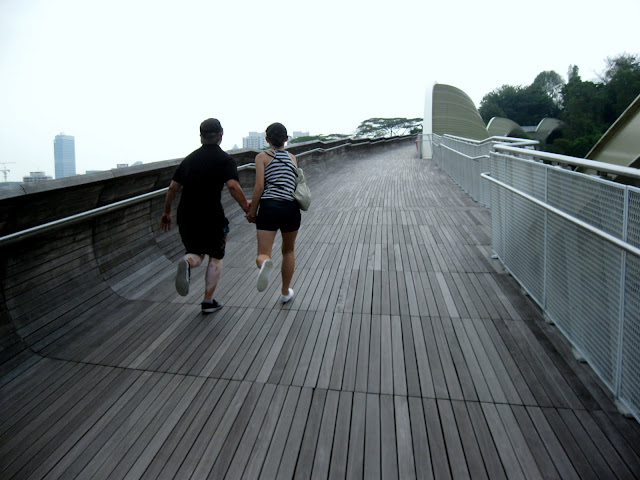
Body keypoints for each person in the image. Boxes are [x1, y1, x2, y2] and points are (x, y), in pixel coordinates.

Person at [160, 118, 250, 314]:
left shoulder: (189, 159)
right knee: (215, 256)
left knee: (195, 253)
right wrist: (246, 207)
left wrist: (166, 212)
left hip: (186, 215)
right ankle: (208, 301)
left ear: (200, 136)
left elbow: (173, 188)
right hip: (212, 215)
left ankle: (187, 263)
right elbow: (233, 186)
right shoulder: (225, 160)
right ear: (221, 135)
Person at [246, 122, 301, 303]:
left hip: (269, 207)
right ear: (286, 139)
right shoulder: (293, 158)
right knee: (288, 251)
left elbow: (259, 187)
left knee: (263, 253)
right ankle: (285, 292)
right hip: (291, 208)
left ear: (267, 139)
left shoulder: (261, 157)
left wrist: (252, 212)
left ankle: (264, 264)